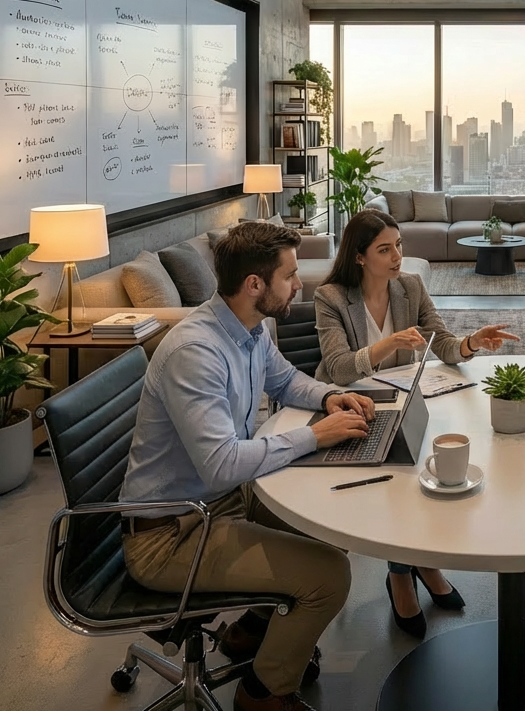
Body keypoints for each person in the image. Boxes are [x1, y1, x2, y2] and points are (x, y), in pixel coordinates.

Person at [119, 221, 378, 711]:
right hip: (168, 536)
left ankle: (250, 632)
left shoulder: (248, 327)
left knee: (329, 524)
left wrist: (332, 396)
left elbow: (284, 381)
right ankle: (262, 694)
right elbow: (221, 465)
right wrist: (314, 436)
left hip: (215, 504)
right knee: (330, 577)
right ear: (255, 284)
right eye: (290, 275)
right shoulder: (197, 352)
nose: (300, 283)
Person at [313, 208, 519, 639]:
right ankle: (403, 574)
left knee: (425, 463)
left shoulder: (410, 287)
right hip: (354, 406)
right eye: (384, 250)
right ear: (359, 256)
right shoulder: (330, 298)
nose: (396, 257)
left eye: (399, 246)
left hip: (407, 400)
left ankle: (417, 561)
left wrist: (469, 343)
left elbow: (440, 341)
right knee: (401, 475)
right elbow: (336, 368)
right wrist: (389, 343)